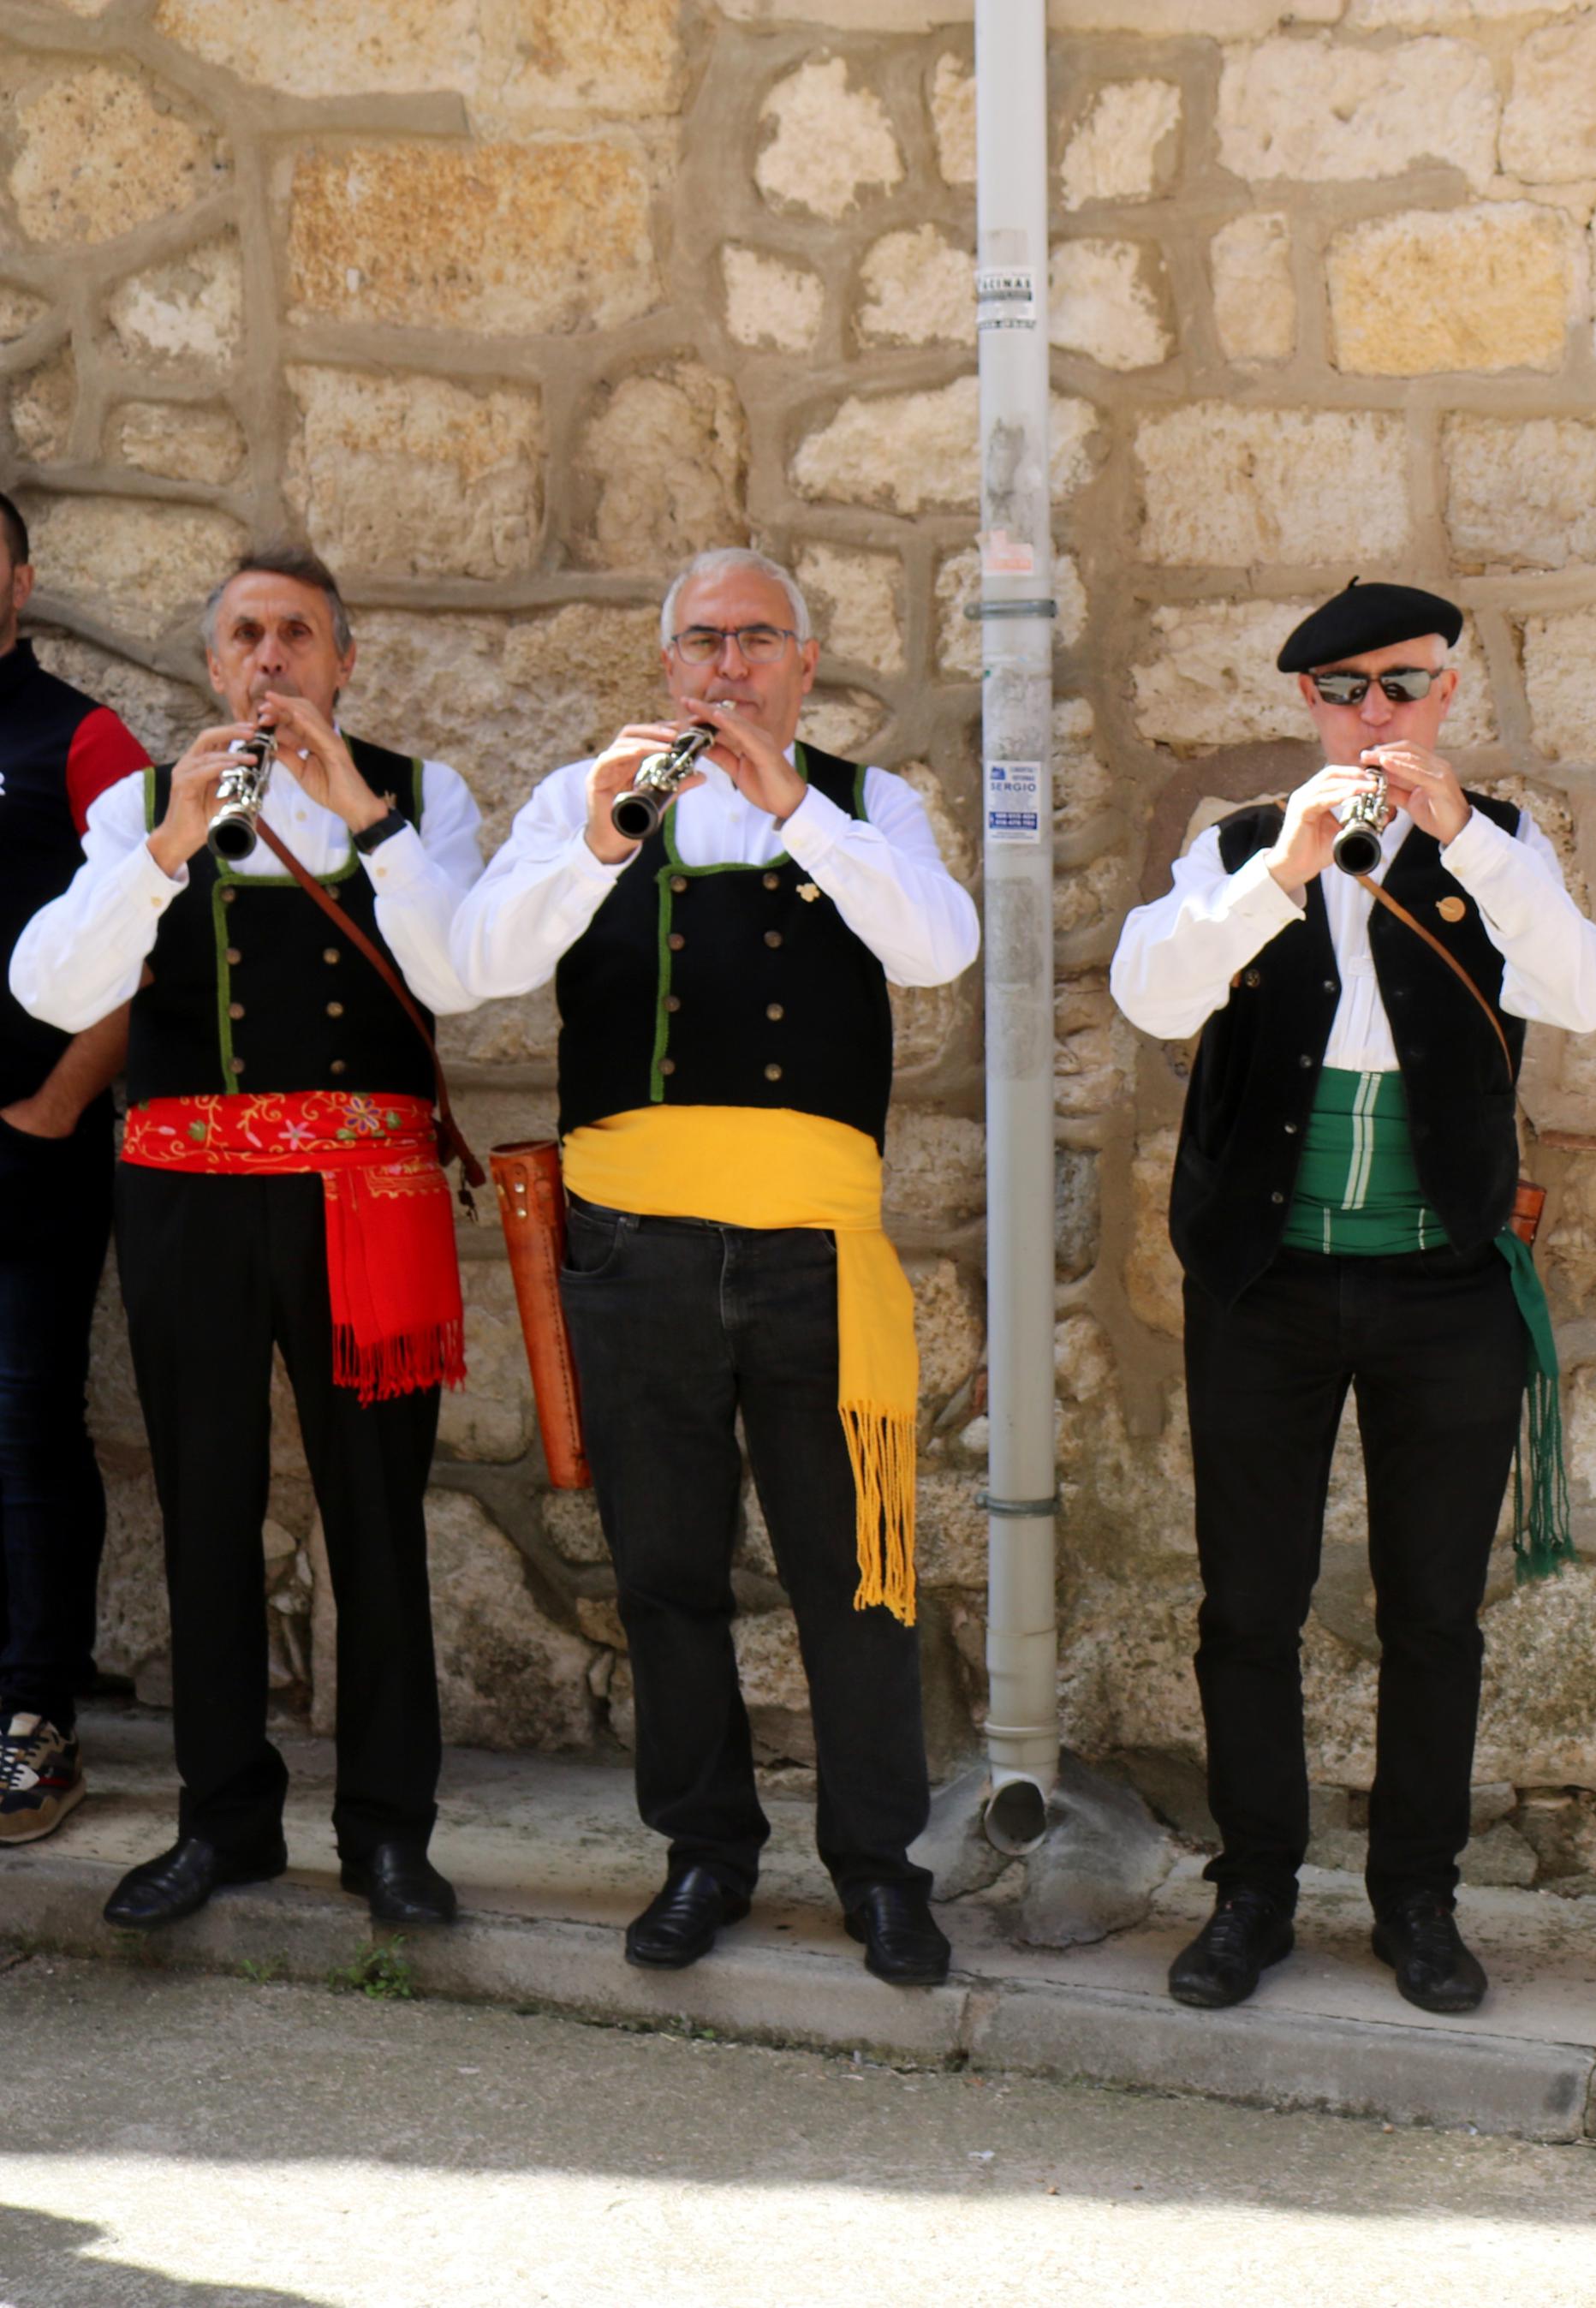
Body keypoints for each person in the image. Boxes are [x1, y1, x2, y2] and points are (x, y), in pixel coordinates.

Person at [450, 547, 978, 1985]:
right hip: (632, 1252)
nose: (727, 668)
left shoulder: (870, 805)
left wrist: (791, 805)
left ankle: (879, 1868)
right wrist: (607, 841)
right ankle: (705, 1853)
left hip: (812, 1251)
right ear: (666, 663)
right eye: (702, 643)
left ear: (806, 665)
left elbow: (937, 950)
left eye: (757, 641)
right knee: (667, 1567)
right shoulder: (582, 800)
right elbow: (475, 962)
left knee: (850, 1572)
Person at [1109, 578, 1596, 2016]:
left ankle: (1419, 1900)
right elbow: (1153, 996)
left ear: (1446, 696)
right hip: (1263, 1282)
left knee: (1433, 1615)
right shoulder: (1238, 850)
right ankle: (1255, 1892)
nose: (1375, 713)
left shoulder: (1506, 849)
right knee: (1247, 1605)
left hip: (1443, 1282)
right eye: (1347, 690)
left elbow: (1582, 993)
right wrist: (1280, 872)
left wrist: (1467, 841)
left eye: (1402, 686)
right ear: (1309, 706)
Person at [8, 545, 484, 1927]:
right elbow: (52, 984)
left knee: (376, 1520)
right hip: (187, 1203)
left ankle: (392, 1832)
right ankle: (226, 1826)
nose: (270, 659)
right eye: (244, 639)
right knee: (206, 1509)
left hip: (369, 1206)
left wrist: (366, 820)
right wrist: (162, 851)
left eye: (296, 635)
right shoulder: (143, 807)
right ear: (212, 670)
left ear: (343, 661)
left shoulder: (422, 793)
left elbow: (465, 971)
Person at [0, 488, 151, 1845]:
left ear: (22, 582)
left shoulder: (82, 738)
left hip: (22, 1152)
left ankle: (32, 1718)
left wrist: (54, 1108)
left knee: (25, 1430)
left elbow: (145, 933)